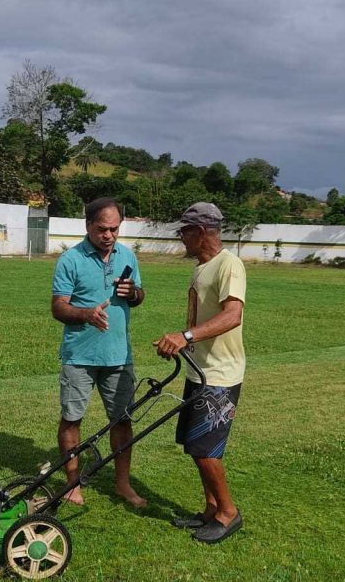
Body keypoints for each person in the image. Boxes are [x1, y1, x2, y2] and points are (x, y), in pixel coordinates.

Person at [154, 202, 246, 544]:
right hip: (200, 370)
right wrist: (182, 344)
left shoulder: (229, 265)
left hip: (220, 373)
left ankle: (227, 512)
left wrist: (186, 336)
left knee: (207, 449)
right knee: (195, 446)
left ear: (202, 231)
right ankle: (210, 509)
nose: (181, 238)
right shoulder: (201, 267)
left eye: (184, 231)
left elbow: (232, 315)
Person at [51, 197, 147, 508]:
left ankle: (123, 484)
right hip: (79, 355)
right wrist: (87, 314)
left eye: (114, 229)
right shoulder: (71, 260)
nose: (108, 235)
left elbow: (140, 295)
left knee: (122, 420)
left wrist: (133, 293)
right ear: (88, 226)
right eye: (101, 229)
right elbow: (58, 308)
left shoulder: (127, 255)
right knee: (72, 418)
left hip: (119, 355)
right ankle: (72, 483)